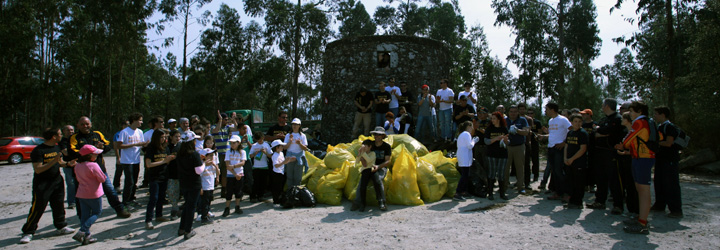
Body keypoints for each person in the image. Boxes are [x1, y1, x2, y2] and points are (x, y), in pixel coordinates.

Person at [19, 128, 76, 244]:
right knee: (38, 207)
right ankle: (28, 231)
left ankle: (61, 226)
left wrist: (68, 164)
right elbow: (38, 169)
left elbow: (59, 163)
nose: (61, 136)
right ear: (54, 136)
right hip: (42, 184)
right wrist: (54, 161)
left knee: (59, 205)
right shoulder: (38, 151)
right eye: (60, 134)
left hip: (57, 181)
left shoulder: (57, 147)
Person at [69, 117, 131, 218]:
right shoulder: (74, 137)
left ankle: (120, 209)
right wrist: (91, 151)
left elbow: (108, 146)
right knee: (80, 193)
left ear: (91, 124)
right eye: (82, 124)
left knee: (110, 190)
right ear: (78, 125)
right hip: (82, 171)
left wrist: (102, 147)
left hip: (99, 169)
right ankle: (82, 216)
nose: (85, 126)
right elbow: (72, 152)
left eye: (87, 124)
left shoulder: (97, 134)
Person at [616, 101, 656, 234]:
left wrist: (623, 145)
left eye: (632, 111)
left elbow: (627, 141)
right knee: (640, 189)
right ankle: (641, 218)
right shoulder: (648, 122)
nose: (629, 113)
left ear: (639, 112)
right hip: (641, 157)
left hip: (643, 158)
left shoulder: (639, 122)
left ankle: (643, 222)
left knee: (643, 190)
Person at [587, 99, 626, 213]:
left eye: (603, 105)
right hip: (599, 153)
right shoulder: (603, 119)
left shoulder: (618, 119)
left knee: (614, 180)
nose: (602, 107)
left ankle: (618, 205)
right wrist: (601, 132)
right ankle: (600, 201)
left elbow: (610, 132)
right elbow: (596, 132)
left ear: (607, 106)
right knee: (600, 178)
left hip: (611, 153)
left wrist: (602, 132)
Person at [351, 127, 392, 212]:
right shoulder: (370, 145)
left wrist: (378, 167)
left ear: (382, 136)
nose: (376, 136)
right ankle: (358, 202)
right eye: (375, 134)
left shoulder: (386, 146)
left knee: (378, 180)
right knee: (362, 182)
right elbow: (362, 154)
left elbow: (387, 161)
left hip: (380, 168)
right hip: (368, 167)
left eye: (378, 134)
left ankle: (382, 202)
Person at [652, 106, 683, 218]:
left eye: (656, 114)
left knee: (671, 184)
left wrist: (655, 143)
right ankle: (660, 205)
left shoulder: (669, 127)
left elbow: (669, 143)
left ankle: (676, 210)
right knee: (659, 182)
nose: (655, 116)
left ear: (663, 115)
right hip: (661, 159)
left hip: (670, 160)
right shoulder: (660, 127)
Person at [71, 145, 106, 245]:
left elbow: (78, 178)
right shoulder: (93, 165)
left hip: (81, 193)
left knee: (84, 215)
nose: (97, 156)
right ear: (90, 156)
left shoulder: (77, 165)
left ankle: (87, 237)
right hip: (94, 194)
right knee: (96, 212)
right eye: (95, 154)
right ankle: (83, 230)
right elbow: (102, 179)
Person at [539, 102, 571, 202]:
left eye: (547, 109)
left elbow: (572, 131)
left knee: (559, 171)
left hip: (559, 149)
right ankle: (558, 192)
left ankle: (567, 192)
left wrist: (565, 142)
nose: (546, 111)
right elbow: (553, 134)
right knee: (554, 172)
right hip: (551, 148)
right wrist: (543, 137)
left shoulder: (563, 119)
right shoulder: (550, 121)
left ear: (552, 109)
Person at [143, 129, 174, 230]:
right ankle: (148, 220)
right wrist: (164, 161)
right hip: (154, 177)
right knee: (153, 198)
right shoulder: (151, 148)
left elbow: (167, 161)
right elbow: (148, 164)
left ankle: (159, 215)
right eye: (161, 137)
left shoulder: (165, 148)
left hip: (164, 175)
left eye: (165, 137)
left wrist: (169, 160)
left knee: (161, 197)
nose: (163, 139)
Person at [176, 131, 203, 239]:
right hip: (194, 183)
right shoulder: (194, 154)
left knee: (187, 205)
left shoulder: (179, 153)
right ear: (192, 141)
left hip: (184, 183)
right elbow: (199, 170)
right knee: (191, 207)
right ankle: (188, 230)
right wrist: (204, 163)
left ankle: (182, 228)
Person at [118, 113, 148, 208]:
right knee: (129, 181)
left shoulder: (140, 132)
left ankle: (132, 199)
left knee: (134, 181)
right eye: (140, 120)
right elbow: (119, 145)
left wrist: (145, 144)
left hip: (136, 160)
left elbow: (141, 144)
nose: (141, 122)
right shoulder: (125, 132)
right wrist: (134, 144)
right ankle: (125, 202)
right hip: (127, 161)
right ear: (134, 120)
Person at [564, 114, 589, 209]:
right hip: (569, 162)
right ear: (571, 122)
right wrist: (565, 158)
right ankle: (572, 201)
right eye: (575, 121)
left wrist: (572, 159)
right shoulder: (570, 133)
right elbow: (566, 146)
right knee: (571, 182)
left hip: (579, 163)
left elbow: (583, 149)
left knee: (579, 183)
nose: (577, 124)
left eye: (579, 122)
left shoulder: (583, 133)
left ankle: (578, 202)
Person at [505, 105, 530, 195]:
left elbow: (526, 132)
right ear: (508, 112)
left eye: (515, 111)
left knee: (520, 167)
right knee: (506, 167)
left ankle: (521, 187)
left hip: (519, 146)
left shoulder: (522, 120)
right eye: (511, 111)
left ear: (518, 112)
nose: (513, 113)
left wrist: (517, 130)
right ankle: (504, 186)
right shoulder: (505, 120)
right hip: (507, 146)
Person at [485, 112, 510, 200]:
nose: (492, 120)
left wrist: (505, 140)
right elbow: (486, 141)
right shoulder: (489, 129)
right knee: (491, 173)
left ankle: (502, 193)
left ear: (499, 119)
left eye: (494, 118)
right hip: (491, 154)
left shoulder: (504, 129)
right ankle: (490, 193)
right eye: (492, 118)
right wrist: (496, 139)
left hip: (502, 154)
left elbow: (508, 142)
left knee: (501, 174)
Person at [454, 121, 480, 201]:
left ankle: (464, 191)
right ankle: (458, 192)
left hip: (462, 156)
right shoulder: (467, 134)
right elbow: (470, 145)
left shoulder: (462, 134)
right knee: (464, 176)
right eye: (471, 126)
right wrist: (475, 140)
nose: (472, 128)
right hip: (464, 157)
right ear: (469, 126)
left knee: (466, 175)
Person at [223, 135, 246, 217]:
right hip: (231, 175)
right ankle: (227, 208)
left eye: (234, 143)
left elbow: (243, 163)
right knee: (229, 192)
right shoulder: (228, 152)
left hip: (240, 174)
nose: (232, 145)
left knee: (238, 191)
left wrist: (234, 166)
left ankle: (237, 206)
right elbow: (227, 165)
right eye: (231, 143)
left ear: (238, 143)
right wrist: (235, 174)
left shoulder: (242, 152)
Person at [471, 107, 491, 197]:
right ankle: (480, 183)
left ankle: (489, 184)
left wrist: (478, 128)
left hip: (486, 147)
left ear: (487, 114)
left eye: (483, 113)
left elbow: (487, 133)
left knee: (486, 166)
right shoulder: (475, 121)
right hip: (477, 146)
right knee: (478, 166)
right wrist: (474, 128)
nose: (480, 114)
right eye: (479, 112)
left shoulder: (489, 122)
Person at [141, 116, 165, 188]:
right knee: (148, 169)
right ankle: (146, 182)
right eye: (160, 122)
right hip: (150, 153)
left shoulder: (165, 132)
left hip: (161, 154)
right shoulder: (147, 133)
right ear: (155, 123)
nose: (162, 123)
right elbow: (143, 145)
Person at [284, 118, 309, 186]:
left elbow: (305, 148)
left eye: (296, 124)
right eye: (293, 124)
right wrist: (290, 141)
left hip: (299, 158)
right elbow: (285, 147)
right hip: (290, 158)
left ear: (299, 126)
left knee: (298, 178)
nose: (294, 126)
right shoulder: (288, 135)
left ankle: (296, 193)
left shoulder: (302, 136)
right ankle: (290, 193)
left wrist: (299, 143)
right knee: (289, 177)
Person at [249, 131, 273, 202]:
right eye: (258, 140)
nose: (259, 141)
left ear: (263, 138)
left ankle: (261, 196)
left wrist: (265, 152)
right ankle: (253, 196)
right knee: (256, 182)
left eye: (260, 139)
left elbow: (271, 155)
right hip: (256, 166)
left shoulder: (266, 145)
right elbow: (250, 156)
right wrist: (255, 153)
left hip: (264, 166)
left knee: (263, 182)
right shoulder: (254, 146)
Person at [198, 148, 219, 224]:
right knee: (205, 203)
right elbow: (199, 177)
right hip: (205, 187)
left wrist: (215, 166)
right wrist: (200, 188)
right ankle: (203, 217)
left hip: (211, 186)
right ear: (204, 157)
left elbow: (218, 173)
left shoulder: (212, 165)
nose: (212, 157)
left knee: (209, 201)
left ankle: (206, 214)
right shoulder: (202, 166)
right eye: (210, 155)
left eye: (212, 155)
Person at [165, 129, 183, 220]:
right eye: (176, 136)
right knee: (172, 192)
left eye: (179, 136)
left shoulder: (181, 146)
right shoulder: (167, 147)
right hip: (171, 173)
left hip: (181, 172)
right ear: (171, 137)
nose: (178, 138)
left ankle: (182, 209)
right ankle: (174, 208)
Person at [59, 125, 76, 209]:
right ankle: (71, 202)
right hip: (68, 165)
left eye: (72, 130)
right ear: (64, 131)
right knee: (71, 183)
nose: (70, 132)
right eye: (68, 130)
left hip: (78, 164)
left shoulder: (76, 139)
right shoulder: (62, 141)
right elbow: (65, 152)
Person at [580, 109, 597, 193]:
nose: (582, 116)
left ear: (589, 115)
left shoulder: (594, 124)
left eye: (584, 114)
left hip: (592, 149)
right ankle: (585, 184)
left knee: (592, 167)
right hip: (582, 148)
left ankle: (592, 185)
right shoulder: (581, 125)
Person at [527, 109, 544, 182]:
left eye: (531, 113)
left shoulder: (537, 122)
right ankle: (527, 176)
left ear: (534, 114)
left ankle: (536, 176)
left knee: (535, 160)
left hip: (534, 143)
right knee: (526, 161)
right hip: (527, 143)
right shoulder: (525, 121)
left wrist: (534, 134)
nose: (530, 114)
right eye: (528, 113)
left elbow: (540, 133)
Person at [113, 120, 129, 190]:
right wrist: (118, 157)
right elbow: (116, 146)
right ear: (123, 125)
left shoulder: (130, 133)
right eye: (126, 124)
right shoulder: (118, 134)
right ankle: (116, 186)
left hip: (128, 157)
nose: (128, 126)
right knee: (119, 172)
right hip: (121, 155)